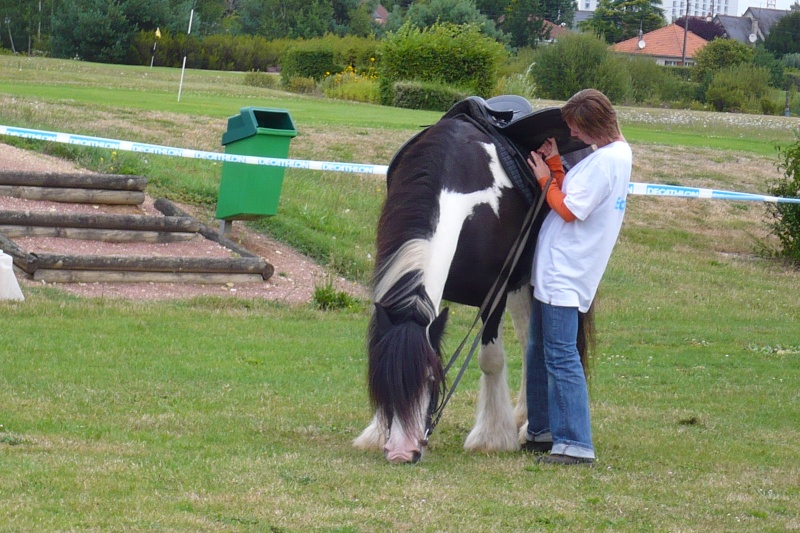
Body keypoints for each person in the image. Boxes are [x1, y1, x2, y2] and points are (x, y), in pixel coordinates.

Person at [522, 89, 632, 466]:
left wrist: (542, 180)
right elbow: (574, 190)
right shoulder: (612, 156)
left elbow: (569, 209)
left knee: (560, 355)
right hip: (557, 271)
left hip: (565, 273)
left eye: (576, 130)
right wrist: (554, 165)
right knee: (539, 348)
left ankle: (574, 443)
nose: (575, 137)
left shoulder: (605, 163)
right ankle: (542, 429)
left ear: (592, 126)